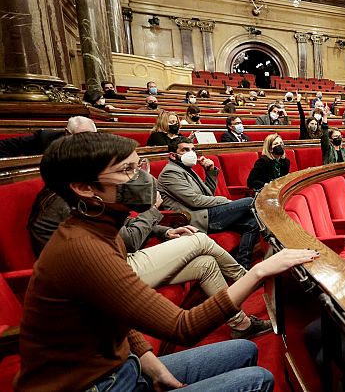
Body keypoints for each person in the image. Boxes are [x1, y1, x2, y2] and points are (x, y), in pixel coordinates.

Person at [19, 132, 317, 391]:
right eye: (127, 171)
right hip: (96, 385)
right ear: (85, 188)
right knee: (258, 379)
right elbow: (183, 327)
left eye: (140, 167)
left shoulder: (100, 230)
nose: (143, 180)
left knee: (242, 350)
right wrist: (259, 271)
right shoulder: (83, 248)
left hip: (125, 368)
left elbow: (118, 314)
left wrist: (152, 366)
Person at [27, 183, 271, 340]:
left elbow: (126, 227)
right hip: (107, 270)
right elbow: (130, 239)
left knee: (206, 263)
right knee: (199, 241)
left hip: (117, 257)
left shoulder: (81, 194)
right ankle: (247, 278)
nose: (130, 176)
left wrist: (164, 231)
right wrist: (153, 209)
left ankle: (240, 324)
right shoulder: (71, 204)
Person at [160, 137, 262, 268]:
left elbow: (207, 196)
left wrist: (210, 172)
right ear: (173, 155)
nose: (190, 153)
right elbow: (195, 201)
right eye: (185, 150)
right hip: (194, 218)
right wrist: (226, 201)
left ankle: (243, 265)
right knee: (249, 201)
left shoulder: (186, 169)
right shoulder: (170, 172)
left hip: (206, 212)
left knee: (252, 223)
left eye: (192, 149)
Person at [0, 116, 96, 158]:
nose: (86, 141)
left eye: (91, 136)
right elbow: (4, 146)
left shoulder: (100, 143)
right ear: (67, 133)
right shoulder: (44, 139)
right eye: (80, 137)